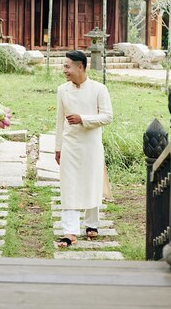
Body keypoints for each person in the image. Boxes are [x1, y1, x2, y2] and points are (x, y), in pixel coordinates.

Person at [55, 50, 113, 247]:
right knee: (69, 186)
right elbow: (59, 121)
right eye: (64, 66)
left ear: (80, 66)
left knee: (92, 182)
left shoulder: (99, 89)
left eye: (67, 66)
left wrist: (83, 119)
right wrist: (58, 148)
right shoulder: (62, 90)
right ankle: (70, 231)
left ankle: (91, 223)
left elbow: (107, 116)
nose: (65, 70)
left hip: (91, 145)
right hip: (70, 144)